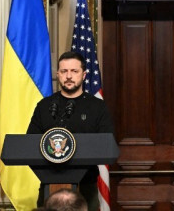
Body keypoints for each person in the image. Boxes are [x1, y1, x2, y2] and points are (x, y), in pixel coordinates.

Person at [28, 51, 115, 211]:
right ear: (58, 74)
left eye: (74, 71)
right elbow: (29, 144)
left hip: (85, 185)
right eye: (64, 71)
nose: (69, 76)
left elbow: (107, 143)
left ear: (84, 75)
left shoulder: (97, 107)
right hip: (49, 183)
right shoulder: (44, 106)